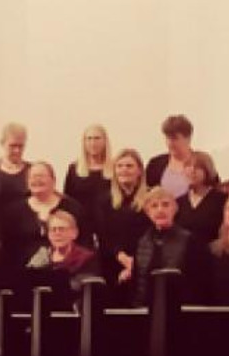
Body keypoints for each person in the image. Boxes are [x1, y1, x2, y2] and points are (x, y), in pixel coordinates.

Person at [1, 161, 88, 298]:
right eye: (33, 177)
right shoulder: (13, 211)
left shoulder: (72, 207)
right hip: (24, 280)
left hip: (66, 276)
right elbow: (7, 249)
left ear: (53, 180)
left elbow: (85, 242)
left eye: (41, 176)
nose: (37, 180)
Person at [120, 187, 210, 306]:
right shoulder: (141, 242)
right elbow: (138, 283)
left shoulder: (190, 241)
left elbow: (198, 284)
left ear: (175, 209)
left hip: (179, 309)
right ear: (147, 212)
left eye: (165, 204)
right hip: (144, 308)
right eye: (154, 206)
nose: (160, 210)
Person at [95, 148, 149, 301]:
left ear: (139, 171)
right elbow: (102, 234)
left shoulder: (150, 198)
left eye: (129, 166)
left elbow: (151, 233)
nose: (124, 169)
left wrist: (134, 263)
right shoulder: (103, 200)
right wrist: (121, 257)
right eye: (119, 166)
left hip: (144, 262)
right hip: (111, 262)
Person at [23, 210, 99, 311]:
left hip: (74, 311)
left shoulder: (87, 258)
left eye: (62, 229)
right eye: (53, 230)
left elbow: (83, 287)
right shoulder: (41, 258)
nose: (57, 233)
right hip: (41, 309)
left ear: (74, 233)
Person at [64, 124, 112, 238]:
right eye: (89, 139)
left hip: (109, 227)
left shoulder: (115, 168)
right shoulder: (74, 169)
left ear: (105, 141)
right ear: (84, 143)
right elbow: (67, 200)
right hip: (81, 227)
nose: (93, 143)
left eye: (97, 138)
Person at [175, 151, 227, 246]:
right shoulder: (178, 202)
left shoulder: (222, 200)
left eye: (197, 167)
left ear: (207, 171)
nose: (192, 170)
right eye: (188, 166)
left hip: (211, 252)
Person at [145, 114, 195, 196]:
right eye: (167, 138)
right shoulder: (155, 164)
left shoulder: (202, 164)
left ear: (188, 138)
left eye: (174, 138)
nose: (170, 143)